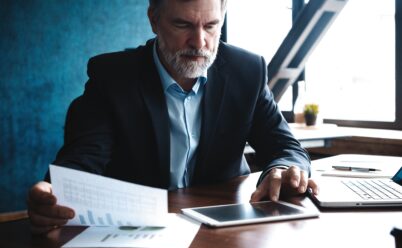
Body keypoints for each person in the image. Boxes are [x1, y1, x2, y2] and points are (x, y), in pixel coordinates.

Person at [27, 0, 319, 234]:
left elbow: (286, 148)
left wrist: (284, 167)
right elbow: (82, 161)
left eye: (211, 25)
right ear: (154, 19)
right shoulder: (112, 78)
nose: (199, 41)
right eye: (183, 24)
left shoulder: (247, 71)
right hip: (140, 233)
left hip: (225, 228)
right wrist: (54, 194)